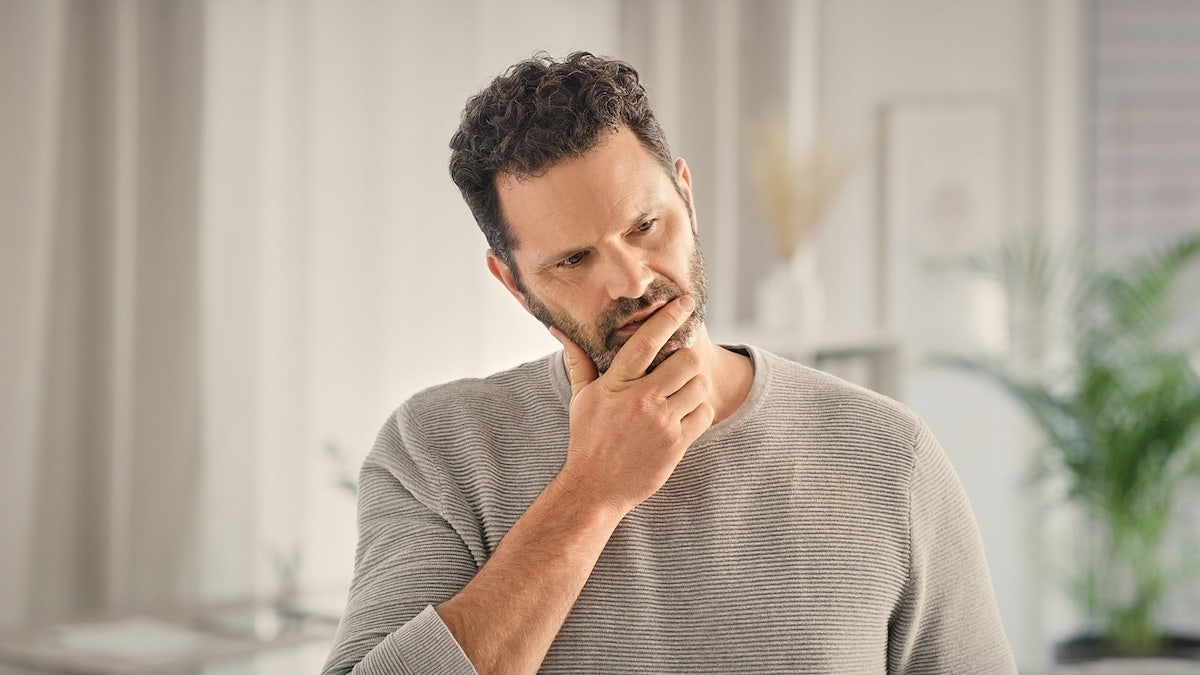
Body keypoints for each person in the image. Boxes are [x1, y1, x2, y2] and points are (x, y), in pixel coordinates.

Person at [322, 52, 1016, 674]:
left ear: (686, 192)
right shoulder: (438, 449)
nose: (630, 279)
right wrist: (591, 491)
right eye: (573, 259)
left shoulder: (891, 457)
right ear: (513, 282)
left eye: (645, 226)